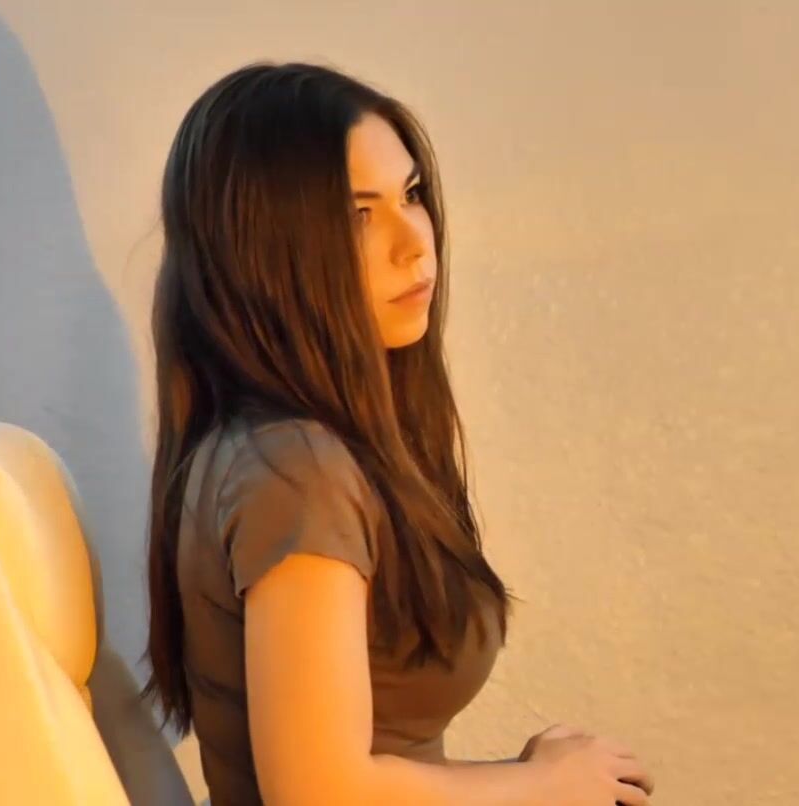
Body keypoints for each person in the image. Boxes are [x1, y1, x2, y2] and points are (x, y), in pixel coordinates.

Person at [141, 61, 655, 805]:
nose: (414, 242)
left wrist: (531, 779)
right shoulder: (295, 471)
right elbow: (320, 792)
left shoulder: (282, 451)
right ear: (265, 256)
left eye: (411, 195)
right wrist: (541, 785)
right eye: (358, 215)